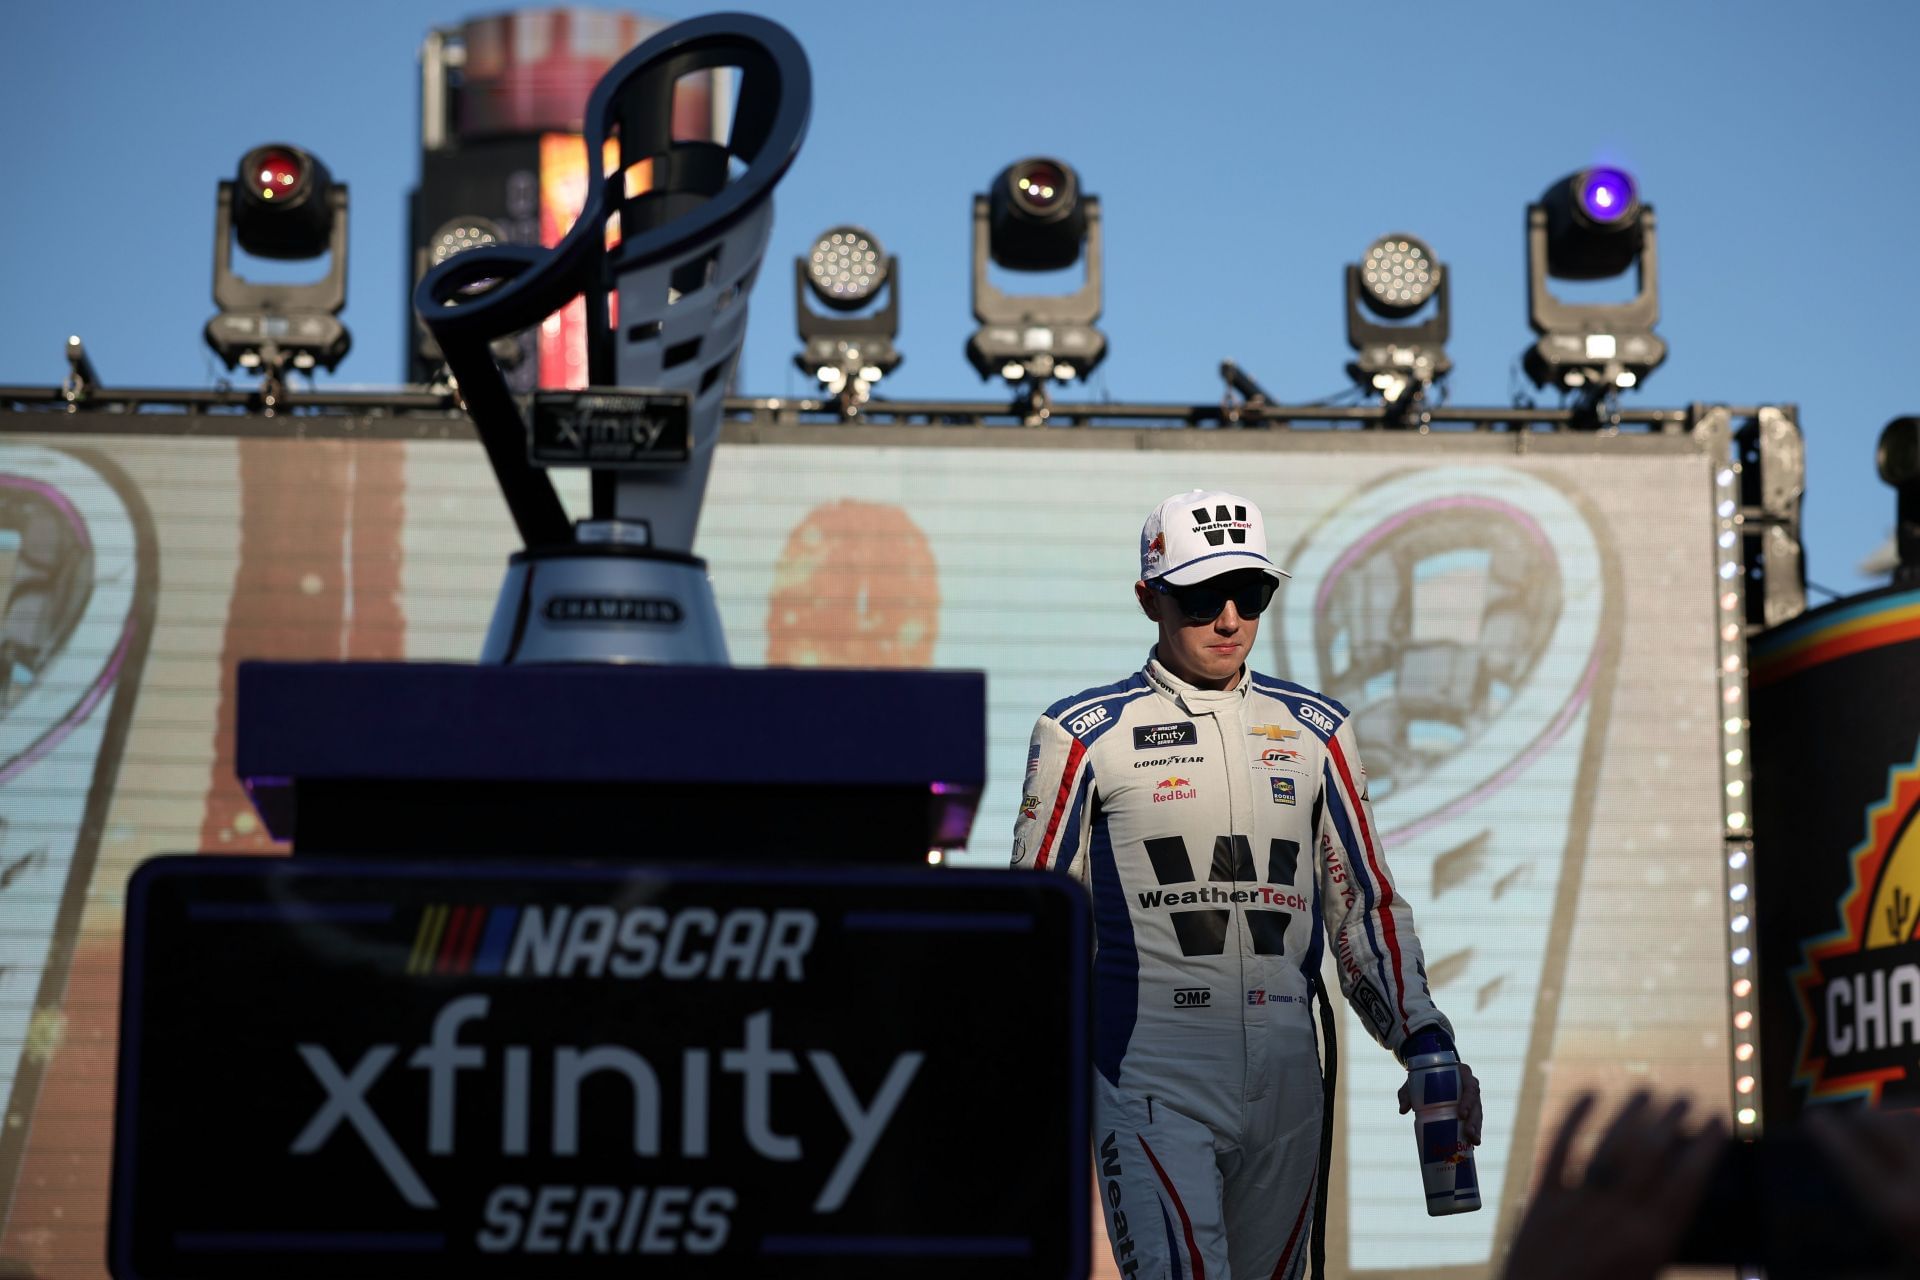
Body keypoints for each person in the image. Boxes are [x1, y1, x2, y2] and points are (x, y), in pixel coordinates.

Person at [1012, 489, 1481, 1280]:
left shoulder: (1317, 730)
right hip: (1150, 1075)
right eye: (1202, 596)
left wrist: (1426, 1042)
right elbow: (1032, 926)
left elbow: (1362, 910)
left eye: (1251, 591)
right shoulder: (1081, 733)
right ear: (1148, 598)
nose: (1230, 618)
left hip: (1291, 1084)